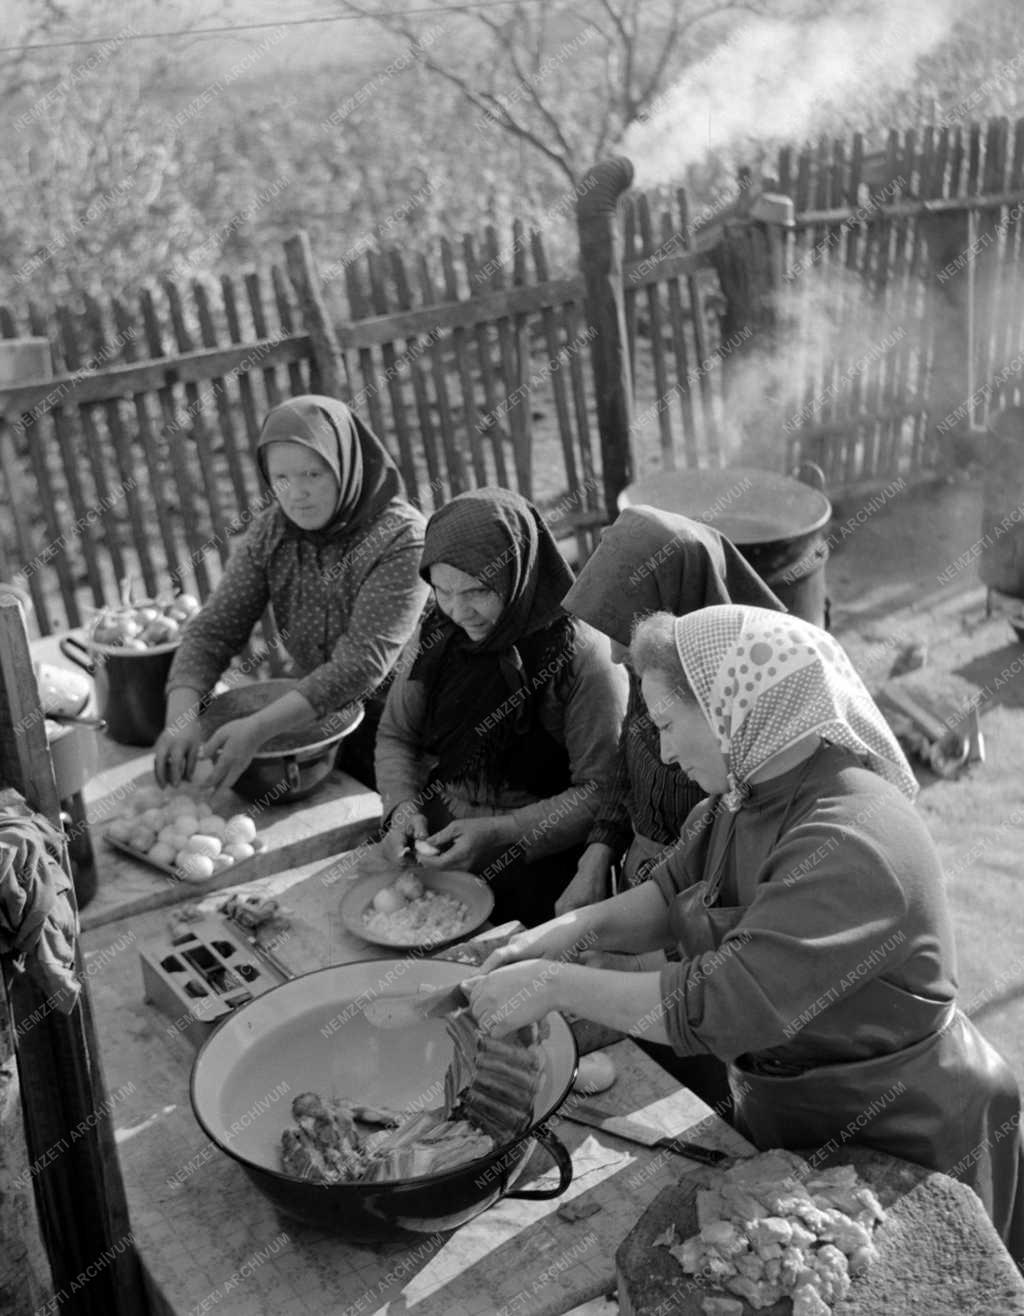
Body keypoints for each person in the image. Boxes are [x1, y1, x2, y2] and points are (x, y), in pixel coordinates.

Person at [466, 605, 1024, 1263]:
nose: (666, 754)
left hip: (903, 1132)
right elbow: (670, 895)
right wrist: (567, 932)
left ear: (737, 709)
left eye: (671, 726)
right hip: (795, 1109)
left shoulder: (848, 840)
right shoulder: (741, 800)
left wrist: (553, 984)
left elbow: (722, 1002)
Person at [374, 487, 628, 927]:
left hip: (538, 865)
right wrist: (400, 808)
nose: (458, 611)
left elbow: (601, 791)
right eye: (442, 591)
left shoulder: (581, 657)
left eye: (477, 591)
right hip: (440, 842)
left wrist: (502, 833)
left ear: (520, 574)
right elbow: (398, 736)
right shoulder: (437, 635)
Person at [155, 395, 428, 792]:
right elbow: (214, 630)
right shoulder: (273, 532)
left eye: (313, 475)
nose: (296, 493)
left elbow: (362, 664)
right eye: (281, 478)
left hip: (412, 727)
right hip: (316, 717)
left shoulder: (400, 538)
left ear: (346, 466)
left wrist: (259, 728)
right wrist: (180, 717)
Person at [557, 505, 783, 913]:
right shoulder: (657, 669)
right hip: (641, 885)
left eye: (624, 633)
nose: (612, 655)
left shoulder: (749, 712)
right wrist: (597, 854)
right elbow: (627, 763)